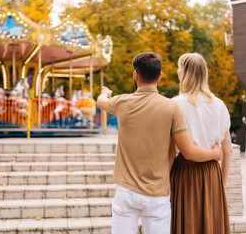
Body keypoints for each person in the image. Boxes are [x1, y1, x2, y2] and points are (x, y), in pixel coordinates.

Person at [96, 52, 223, 234]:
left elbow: (101, 102)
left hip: (126, 190)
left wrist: (105, 92)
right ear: (160, 76)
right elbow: (188, 152)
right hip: (157, 194)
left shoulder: (122, 102)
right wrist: (215, 154)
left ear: (136, 75)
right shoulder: (172, 107)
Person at [170, 53, 232, 234]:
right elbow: (227, 149)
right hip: (212, 173)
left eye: (180, 67)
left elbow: (171, 150)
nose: (178, 71)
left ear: (184, 73)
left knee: (186, 223)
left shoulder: (176, 104)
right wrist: (223, 182)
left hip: (185, 172)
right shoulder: (219, 105)